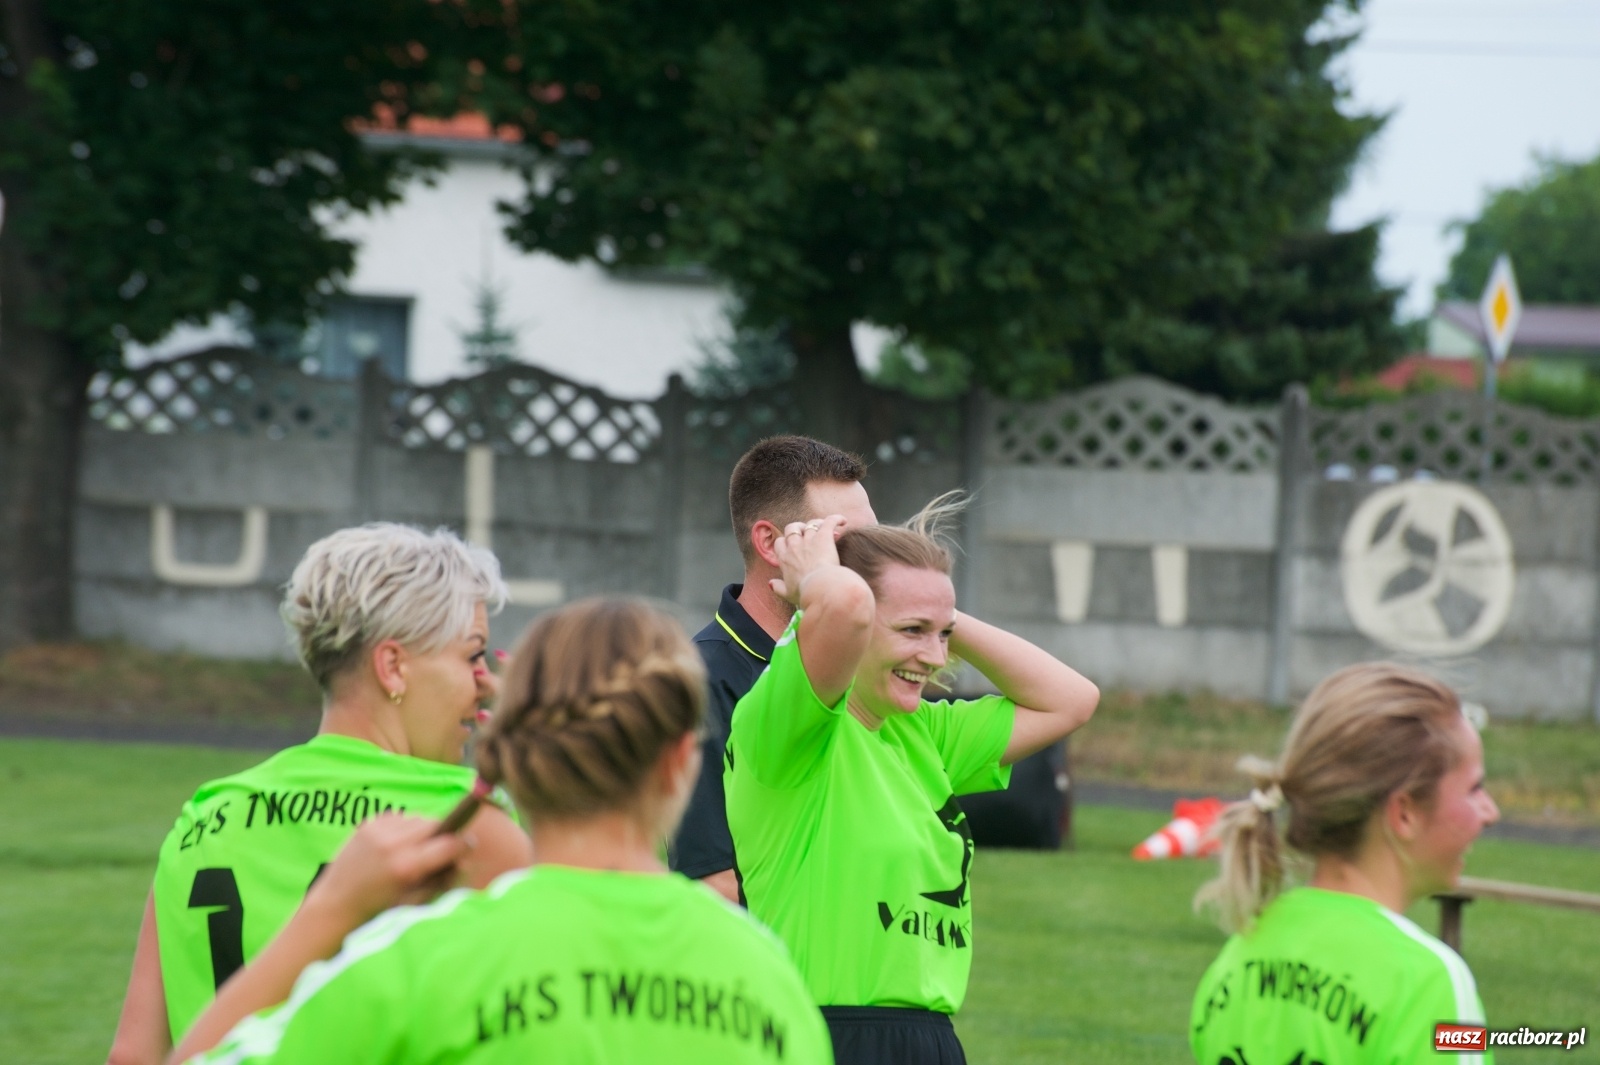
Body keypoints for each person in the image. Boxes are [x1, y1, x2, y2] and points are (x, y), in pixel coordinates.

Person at [169, 597, 834, 1065]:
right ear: (679, 765)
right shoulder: (767, 973)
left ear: (509, 753)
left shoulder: (423, 957)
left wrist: (330, 911)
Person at [107, 524, 533, 1065]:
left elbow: (131, 1056)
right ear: (393, 666)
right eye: (471, 657)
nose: (483, 681)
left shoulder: (204, 817)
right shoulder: (464, 822)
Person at [725, 497, 1100, 1065]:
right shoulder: (790, 725)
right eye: (911, 630)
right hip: (823, 1036)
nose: (934, 656)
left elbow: (1071, 700)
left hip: (928, 1038)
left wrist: (929, 607)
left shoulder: (924, 732)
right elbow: (846, 608)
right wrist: (823, 576)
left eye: (942, 635)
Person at [1189, 663, 1500, 1065]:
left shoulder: (1235, 957)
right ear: (1404, 813)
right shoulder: (1431, 981)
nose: (1489, 811)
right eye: (1474, 788)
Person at [672, 435, 877, 903]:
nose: (871, 563)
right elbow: (715, 884)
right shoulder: (699, 682)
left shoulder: (866, 664)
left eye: (877, 540)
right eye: (843, 542)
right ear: (770, 542)